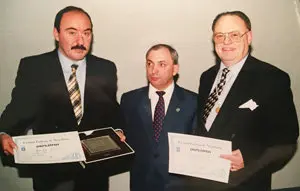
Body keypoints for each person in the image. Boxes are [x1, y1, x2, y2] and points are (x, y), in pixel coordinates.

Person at [0, 6, 120, 191]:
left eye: (86, 33)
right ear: (56, 34)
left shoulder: (105, 68)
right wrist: (3, 133)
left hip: (94, 175)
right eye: (72, 32)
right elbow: (18, 109)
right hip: (52, 176)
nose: (80, 40)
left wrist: (118, 129)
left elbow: (111, 110)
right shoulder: (34, 67)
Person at [195, 11, 299, 191]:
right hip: (204, 182)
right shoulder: (206, 77)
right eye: (220, 36)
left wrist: (249, 157)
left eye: (234, 35)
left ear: (249, 37)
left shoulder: (272, 79)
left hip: (246, 183)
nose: (226, 41)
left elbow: (286, 140)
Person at [119, 44, 198, 191]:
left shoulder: (193, 102)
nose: (153, 70)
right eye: (150, 64)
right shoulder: (129, 99)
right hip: (141, 183)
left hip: (179, 186)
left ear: (175, 69)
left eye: (162, 64)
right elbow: (122, 134)